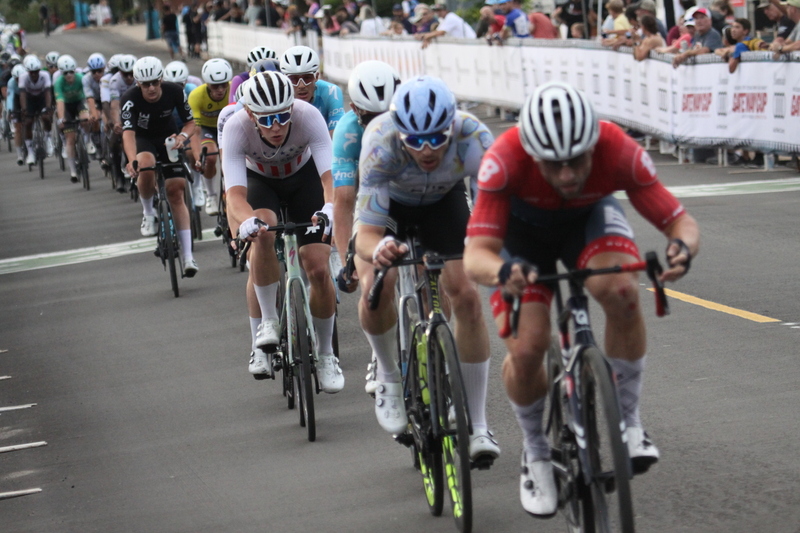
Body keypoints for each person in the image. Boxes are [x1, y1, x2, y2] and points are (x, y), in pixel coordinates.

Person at [462, 81, 698, 517]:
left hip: (588, 220)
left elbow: (678, 220)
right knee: (530, 344)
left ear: (594, 144)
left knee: (624, 292)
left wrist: (681, 249)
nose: (568, 174)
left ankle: (629, 423)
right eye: (555, 165)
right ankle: (535, 452)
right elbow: (475, 254)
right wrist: (502, 273)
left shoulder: (616, 146)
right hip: (520, 238)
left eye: (578, 160)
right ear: (533, 154)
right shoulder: (504, 159)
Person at [353, 75, 501, 462]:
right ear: (399, 133)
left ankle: (478, 424)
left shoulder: (474, 138)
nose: (427, 149)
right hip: (391, 208)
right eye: (415, 140)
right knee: (375, 285)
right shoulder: (380, 143)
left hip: (443, 201)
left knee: (467, 295)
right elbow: (365, 237)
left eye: (437, 137)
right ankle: (386, 373)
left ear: (452, 125)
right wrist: (381, 246)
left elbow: (493, 220)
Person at [222, 72, 343, 392]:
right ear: (250, 114)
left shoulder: (308, 116)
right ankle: (267, 324)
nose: (276, 126)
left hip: (303, 179)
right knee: (262, 233)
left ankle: (327, 354)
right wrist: (246, 221)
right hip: (260, 183)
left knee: (318, 267)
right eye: (267, 119)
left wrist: (329, 208)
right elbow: (234, 196)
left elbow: (330, 179)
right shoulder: (236, 127)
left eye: (282, 116)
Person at [122, 57, 199, 276]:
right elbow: (128, 134)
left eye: (155, 82)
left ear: (161, 79)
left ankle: (188, 257)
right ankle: (148, 212)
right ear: (138, 83)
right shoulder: (130, 98)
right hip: (143, 140)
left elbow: (190, 122)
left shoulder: (174, 90)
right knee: (145, 165)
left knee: (176, 191)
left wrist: (183, 137)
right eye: (146, 84)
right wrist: (131, 159)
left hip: (169, 139)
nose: (152, 88)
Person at [188, 58, 233, 216]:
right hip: (207, 129)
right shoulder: (196, 96)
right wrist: (198, 156)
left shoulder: (234, 89)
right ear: (207, 83)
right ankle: (212, 195)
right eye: (215, 86)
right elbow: (195, 129)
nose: (220, 90)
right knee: (211, 156)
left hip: (228, 127)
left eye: (223, 85)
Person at [279, 46, 343, 137]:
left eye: (307, 78)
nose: (301, 85)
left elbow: (336, 135)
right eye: (294, 79)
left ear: (316, 77)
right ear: (286, 80)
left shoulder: (331, 91)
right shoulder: (278, 96)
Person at [54, 55, 92, 183]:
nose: (69, 75)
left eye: (71, 72)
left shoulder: (81, 78)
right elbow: (60, 102)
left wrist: (90, 113)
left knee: (85, 118)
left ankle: (87, 140)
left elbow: (87, 97)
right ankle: (73, 171)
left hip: (79, 103)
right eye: (66, 73)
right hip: (67, 107)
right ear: (61, 73)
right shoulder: (58, 82)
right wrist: (61, 119)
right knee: (70, 138)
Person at [18, 54, 53, 167]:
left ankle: (48, 139)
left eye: (36, 71)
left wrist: (48, 107)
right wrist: (24, 109)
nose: (34, 74)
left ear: (39, 70)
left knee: (45, 117)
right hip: (29, 100)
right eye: (31, 72)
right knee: (28, 122)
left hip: (42, 98)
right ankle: (30, 152)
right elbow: (22, 94)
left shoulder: (45, 75)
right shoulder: (23, 77)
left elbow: (48, 92)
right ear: (28, 72)